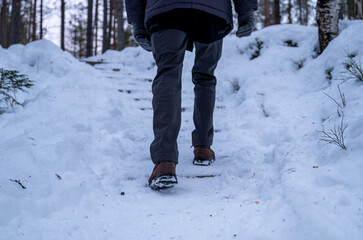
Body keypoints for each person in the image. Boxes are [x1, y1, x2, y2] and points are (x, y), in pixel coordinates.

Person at [125, 0, 258, 189]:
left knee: (168, 74)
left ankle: (165, 162)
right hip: (212, 9)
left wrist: (137, 21)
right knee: (205, 75)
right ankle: (203, 147)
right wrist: (246, 11)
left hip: (166, 9)